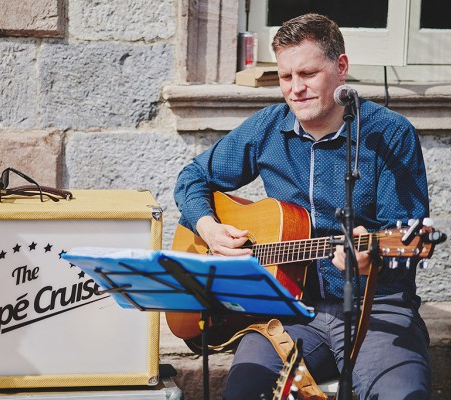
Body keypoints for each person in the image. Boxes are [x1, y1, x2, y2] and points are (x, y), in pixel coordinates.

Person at [174, 13, 431, 400]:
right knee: (243, 392)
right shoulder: (267, 128)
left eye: (308, 74)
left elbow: (409, 240)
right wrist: (210, 229)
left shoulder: (389, 135)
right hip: (288, 313)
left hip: (374, 307)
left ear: (340, 68)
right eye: (285, 77)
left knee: (400, 394)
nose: (295, 89)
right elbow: (192, 177)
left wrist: (371, 260)